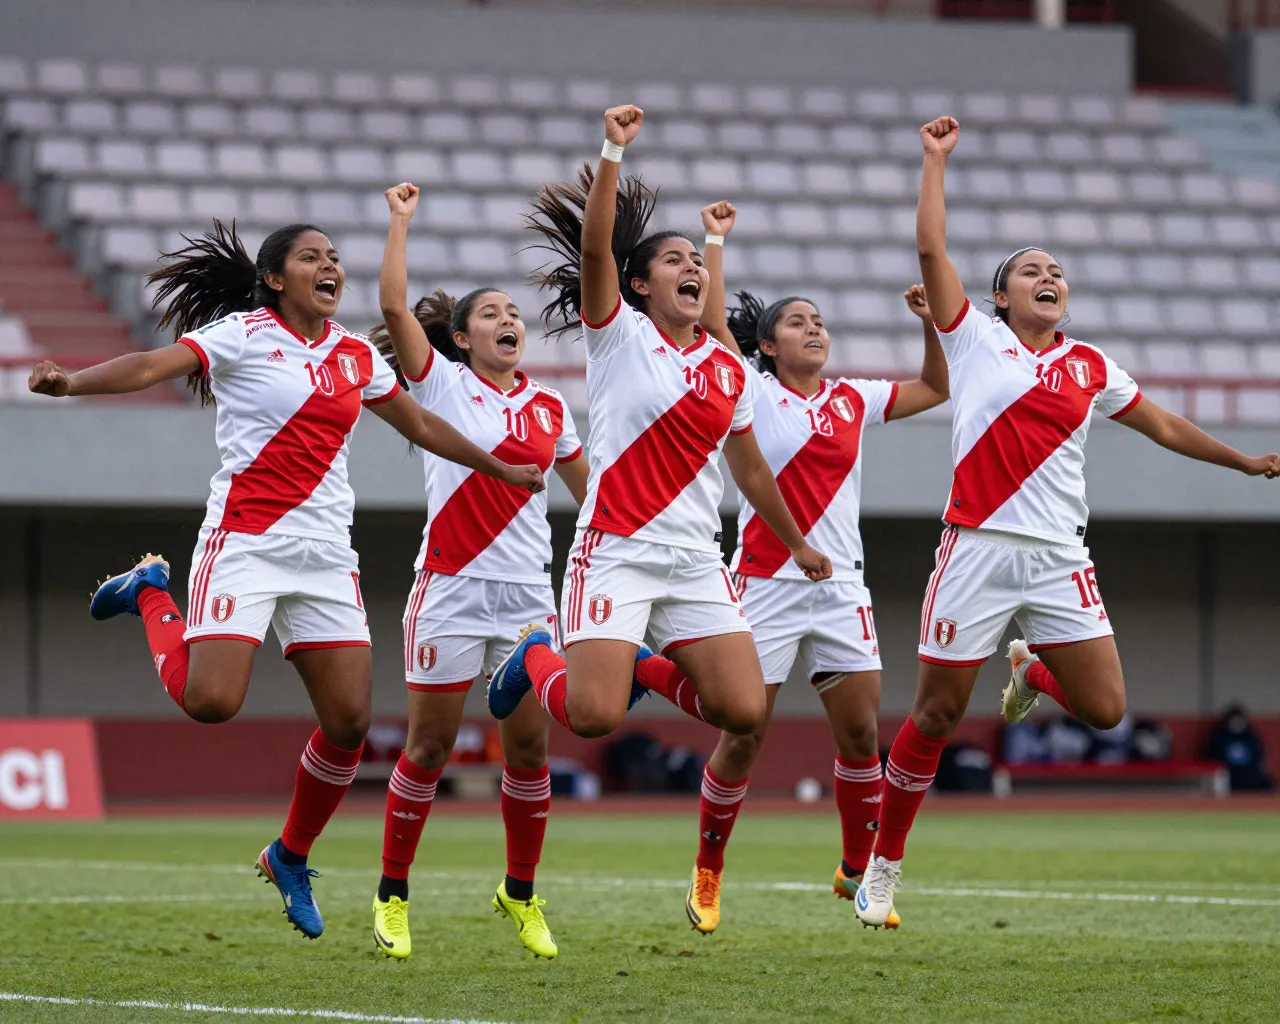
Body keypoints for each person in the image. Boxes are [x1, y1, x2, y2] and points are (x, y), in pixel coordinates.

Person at [28, 220, 543, 942]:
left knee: (350, 725)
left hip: (327, 554)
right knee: (211, 702)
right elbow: (151, 366)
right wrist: (71, 382)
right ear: (276, 278)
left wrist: (503, 467)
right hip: (245, 542)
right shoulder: (242, 335)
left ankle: (288, 854)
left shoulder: (356, 356)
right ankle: (150, 591)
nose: (330, 266)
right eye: (312, 258)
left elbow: (423, 428)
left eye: (334, 258)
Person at [853, 116, 1280, 928]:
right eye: (1030, 270)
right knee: (936, 714)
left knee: (1108, 709)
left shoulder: (1091, 366)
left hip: (1057, 556)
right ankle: (885, 866)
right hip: (975, 547)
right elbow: (929, 250)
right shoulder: (973, 339)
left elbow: (1160, 425)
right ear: (1001, 295)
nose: (1050, 276)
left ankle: (1029, 673)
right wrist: (934, 160)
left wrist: (1246, 461)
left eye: (1058, 271)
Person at [487, 104, 831, 870]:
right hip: (616, 549)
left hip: (694, 560)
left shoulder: (727, 370)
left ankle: (640, 660)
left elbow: (749, 469)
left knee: (743, 711)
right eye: (673, 261)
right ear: (639, 283)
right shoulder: (619, 336)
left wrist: (800, 540)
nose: (691, 270)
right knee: (591, 716)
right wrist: (612, 148)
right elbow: (593, 247)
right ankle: (533, 658)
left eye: (697, 264)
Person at [681, 200, 948, 933]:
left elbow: (936, 388)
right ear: (766, 346)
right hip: (763, 583)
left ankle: (859, 870)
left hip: (841, 586)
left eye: (821, 322)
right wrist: (713, 242)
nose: (816, 331)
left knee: (862, 734)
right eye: (798, 323)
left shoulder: (853, 399)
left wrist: (929, 321)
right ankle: (708, 872)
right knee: (743, 735)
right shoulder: (750, 390)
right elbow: (707, 330)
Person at [367, 183, 589, 961]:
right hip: (451, 591)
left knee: (529, 751)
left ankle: (520, 894)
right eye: (492, 314)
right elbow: (394, 309)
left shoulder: (553, 409)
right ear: (459, 338)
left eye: (516, 316)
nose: (510, 323)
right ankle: (393, 894)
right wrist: (400, 222)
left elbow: (590, 497)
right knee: (428, 749)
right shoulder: (441, 384)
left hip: (528, 598)